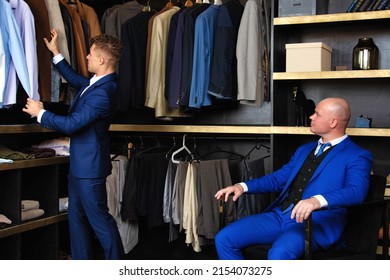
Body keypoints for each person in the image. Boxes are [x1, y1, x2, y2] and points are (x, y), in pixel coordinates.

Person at [214, 97, 373, 260]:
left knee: (279, 253)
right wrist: (242, 186)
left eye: (317, 114)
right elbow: (278, 179)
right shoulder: (304, 150)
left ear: (333, 122)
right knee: (224, 238)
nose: (311, 117)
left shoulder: (357, 155)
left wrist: (316, 201)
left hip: (315, 224)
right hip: (280, 216)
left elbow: (356, 192)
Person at [23, 29, 124, 260]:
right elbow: (75, 79)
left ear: (101, 60)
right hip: (80, 166)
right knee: (76, 220)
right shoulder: (97, 82)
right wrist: (56, 52)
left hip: (90, 170)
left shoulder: (104, 93)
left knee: (100, 221)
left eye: (89, 54)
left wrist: (41, 113)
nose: (86, 57)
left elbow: (72, 124)